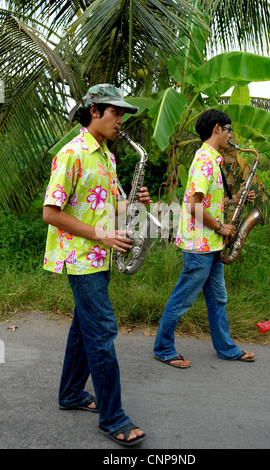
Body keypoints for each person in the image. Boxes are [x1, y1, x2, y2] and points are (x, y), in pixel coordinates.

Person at [43, 84, 150, 446]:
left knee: (83, 328)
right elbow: (50, 213)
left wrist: (135, 202)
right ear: (94, 111)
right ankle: (113, 417)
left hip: (100, 256)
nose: (120, 120)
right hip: (80, 257)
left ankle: (72, 394)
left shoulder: (107, 156)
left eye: (122, 115)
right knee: (102, 331)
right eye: (116, 113)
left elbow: (109, 208)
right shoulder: (71, 154)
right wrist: (100, 236)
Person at [153, 108, 255, 368]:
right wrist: (221, 228)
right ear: (217, 129)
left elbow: (207, 200)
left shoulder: (214, 159)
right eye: (229, 129)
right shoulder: (204, 160)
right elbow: (192, 206)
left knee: (218, 299)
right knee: (182, 299)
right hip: (200, 245)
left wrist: (234, 199)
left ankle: (226, 348)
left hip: (211, 244)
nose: (231, 135)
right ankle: (163, 347)